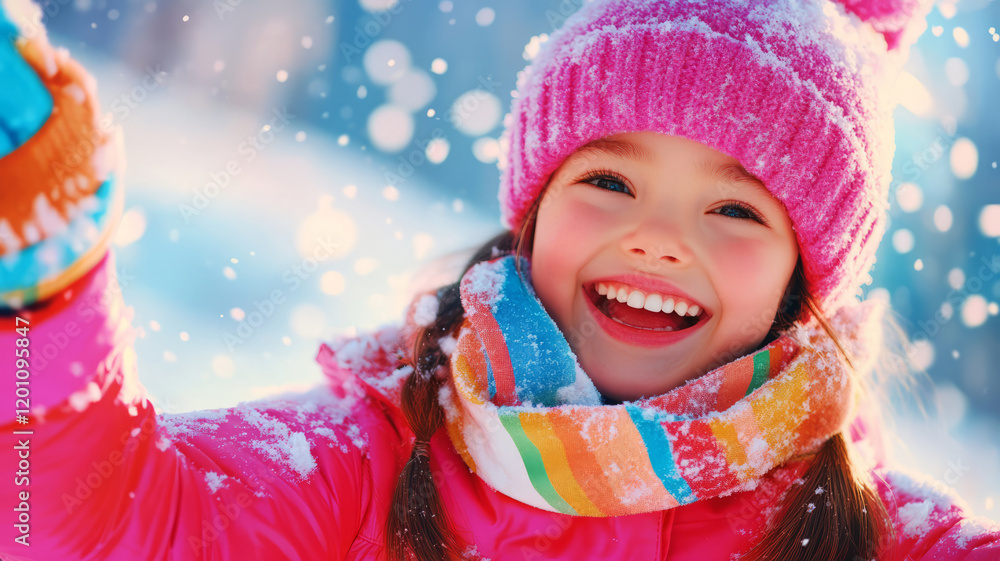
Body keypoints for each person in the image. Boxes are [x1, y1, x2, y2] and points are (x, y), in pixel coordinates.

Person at [1, 0, 999, 559]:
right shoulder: (377, 457)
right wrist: (46, 299)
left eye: (736, 209)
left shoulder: (869, 536)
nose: (658, 238)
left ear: (801, 282)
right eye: (609, 182)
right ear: (532, 214)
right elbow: (97, 524)